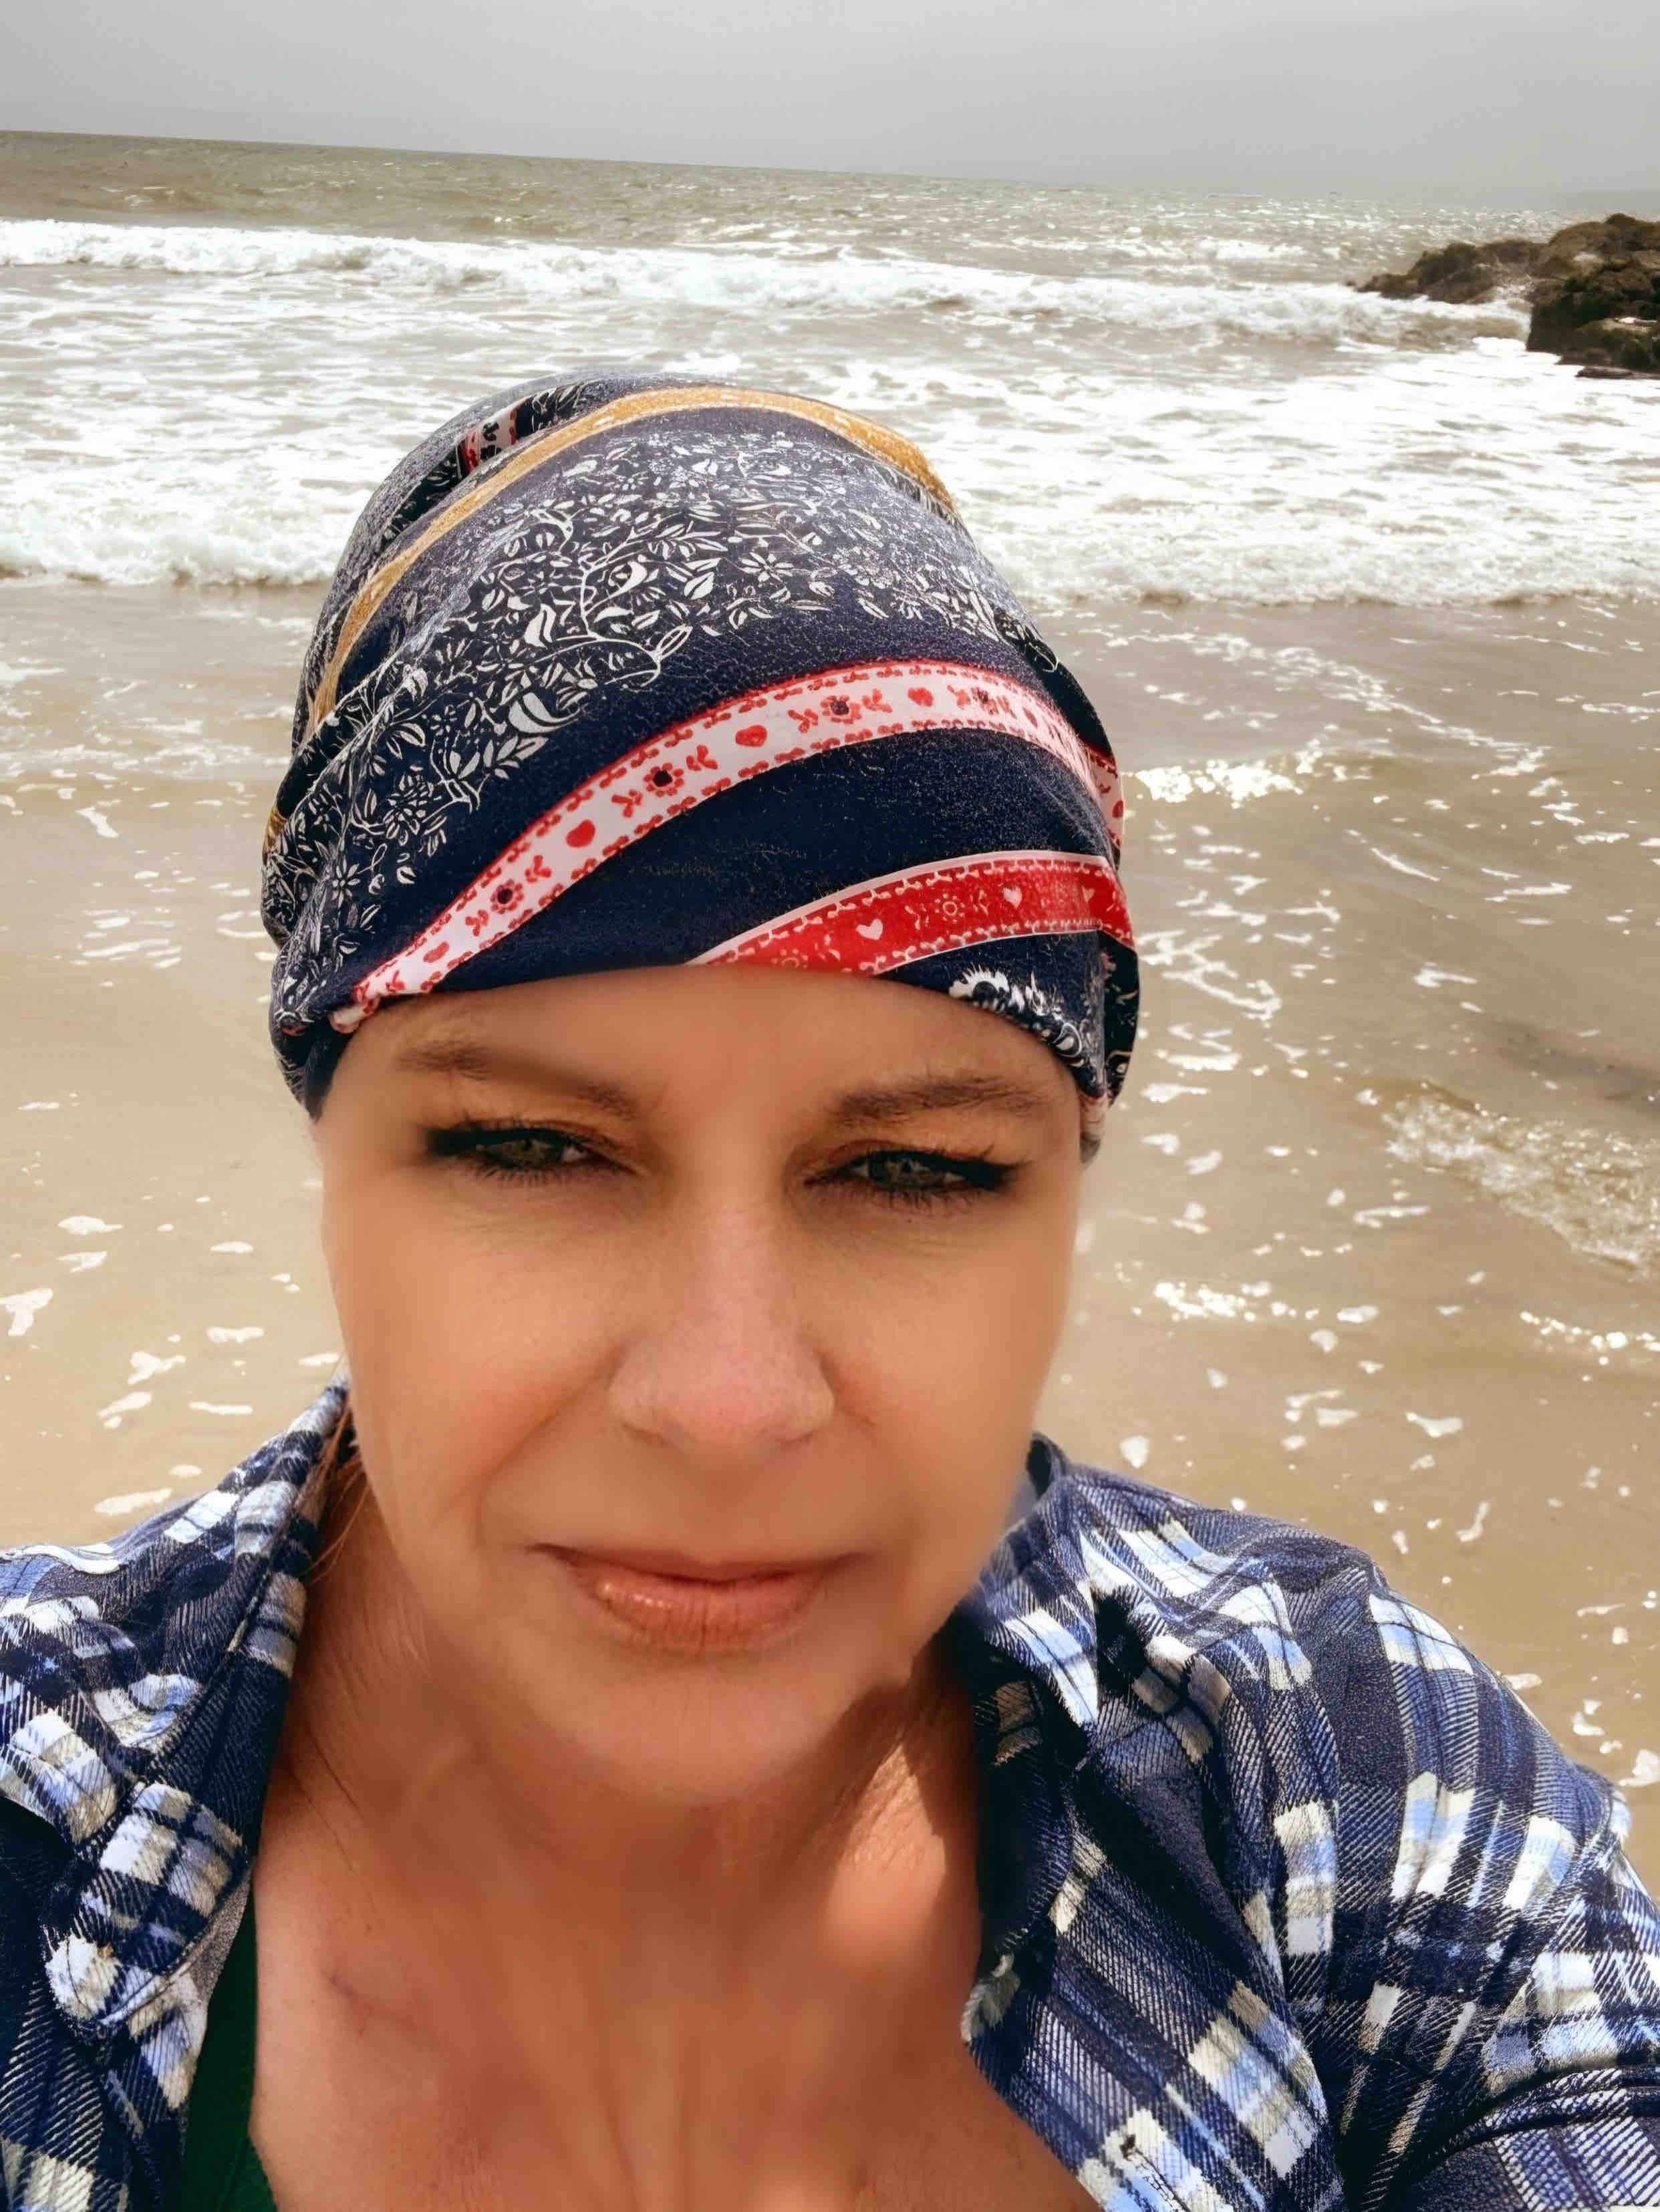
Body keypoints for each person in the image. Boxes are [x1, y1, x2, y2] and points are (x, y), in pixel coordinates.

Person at [1, 369, 1657, 2212]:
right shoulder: (30, 1804)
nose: (728, 1404)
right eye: (530, 1149)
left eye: (916, 1169)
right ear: (335, 1145)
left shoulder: (1361, 1808)